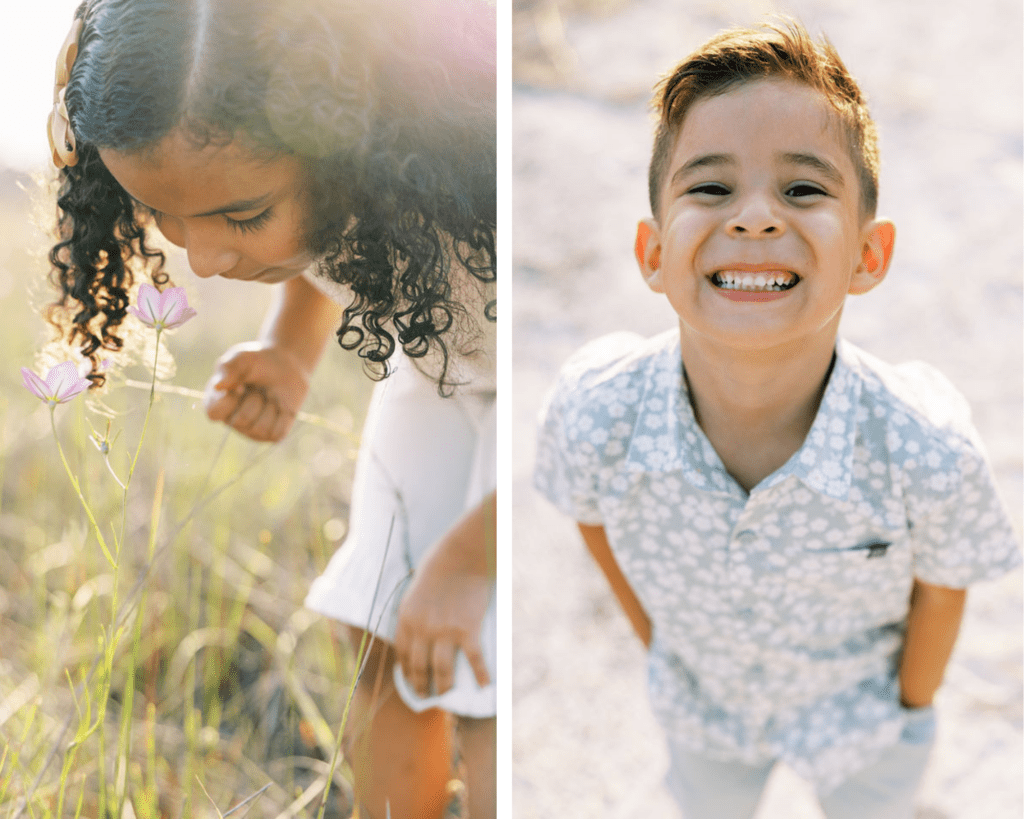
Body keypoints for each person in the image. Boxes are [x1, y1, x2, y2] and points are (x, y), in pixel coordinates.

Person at [534, 19, 1019, 819]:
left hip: (863, 723)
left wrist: (907, 705)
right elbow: (588, 515)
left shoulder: (923, 445)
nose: (755, 217)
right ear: (652, 252)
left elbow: (944, 584)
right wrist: (662, 644)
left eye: (803, 188)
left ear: (869, 255)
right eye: (711, 187)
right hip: (704, 713)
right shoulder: (596, 411)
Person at [44, 1, 496, 817]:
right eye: (161, 215)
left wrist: (471, 561)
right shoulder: (323, 170)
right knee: (380, 629)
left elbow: (579, 409)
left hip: (543, 402)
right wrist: (291, 348)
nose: (205, 258)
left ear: (363, 143)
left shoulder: (487, 197)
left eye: (242, 216)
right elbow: (344, 240)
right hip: (441, 377)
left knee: (481, 648)